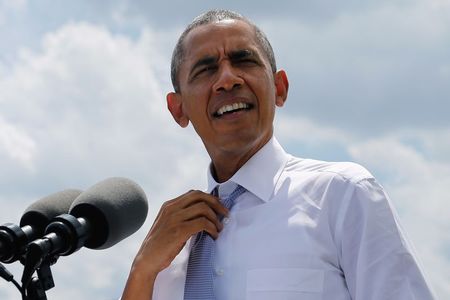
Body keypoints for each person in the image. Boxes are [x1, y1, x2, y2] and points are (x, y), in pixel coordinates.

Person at [121, 9, 435, 300]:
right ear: (178, 110)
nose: (228, 79)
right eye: (206, 69)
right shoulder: (168, 249)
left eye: (244, 60)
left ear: (280, 88)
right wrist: (141, 271)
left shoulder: (342, 195)